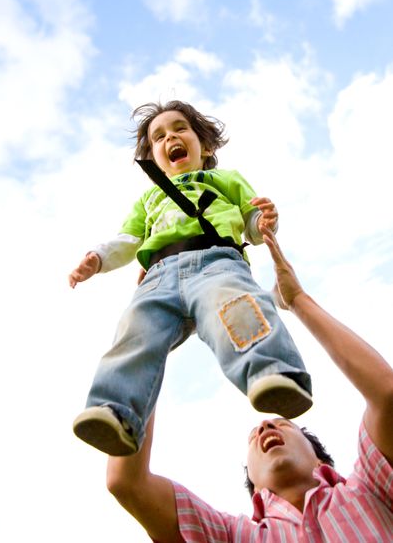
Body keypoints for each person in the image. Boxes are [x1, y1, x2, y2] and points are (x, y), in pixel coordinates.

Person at [105, 226, 393, 542]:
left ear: (322, 461)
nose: (266, 425)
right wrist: (152, 339)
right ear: (253, 483)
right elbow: (127, 483)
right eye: (257, 434)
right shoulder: (232, 535)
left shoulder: (370, 491)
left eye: (285, 424)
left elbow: (386, 393)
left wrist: (297, 300)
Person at [68, 101, 312, 456]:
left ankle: (273, 373)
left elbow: (251, 222)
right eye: (159, 137)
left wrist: (264, 222)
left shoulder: (225, 179)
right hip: (158, 275)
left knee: (237, 306)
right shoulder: (149, 198)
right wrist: (98, 258)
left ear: (206, 146)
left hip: (216, 260)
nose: (171, 138)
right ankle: (115, 410)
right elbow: (128, 240)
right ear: (153, 158)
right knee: (136, 331)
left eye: (180, 129)